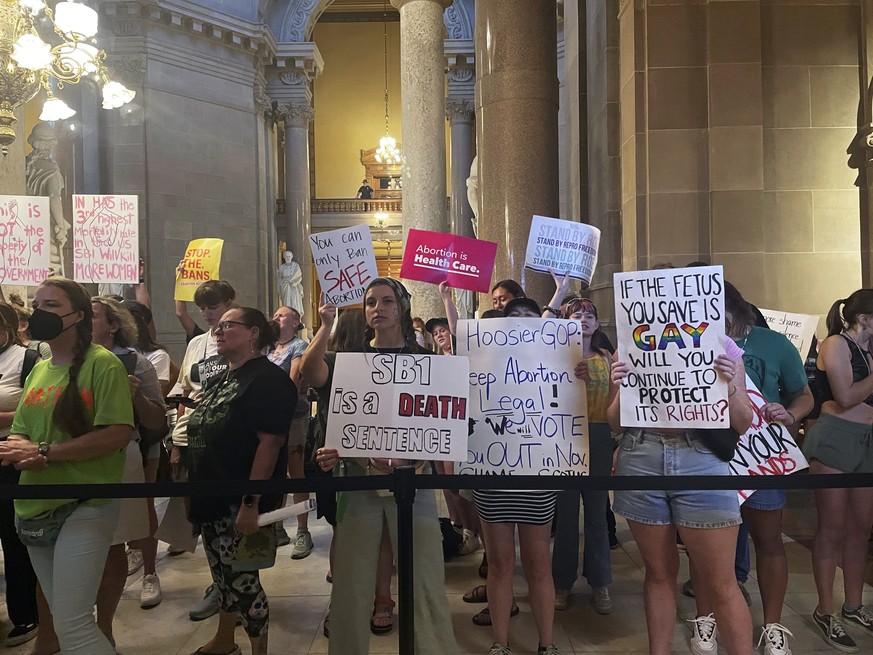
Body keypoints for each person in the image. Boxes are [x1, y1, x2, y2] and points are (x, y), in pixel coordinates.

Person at [309, 278, 459, 655]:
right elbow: (310, 374)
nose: (378, 308)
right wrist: (325, 326)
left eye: (387, 301)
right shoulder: (347, 360)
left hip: (416, 480)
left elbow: (441, 417)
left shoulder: (425, 361)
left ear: (402, 308)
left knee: (426, 576)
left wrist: (417, 456)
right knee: (351, 579)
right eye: (371, 302)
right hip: (361, 481)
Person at [0, 277, 134, 655]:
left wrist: (45, 453)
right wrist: (16, 449)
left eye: (51, 305)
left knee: (73, 625)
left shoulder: (103, 365)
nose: (39, 312)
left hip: (84, 502)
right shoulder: (41, 370)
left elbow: (117, 433)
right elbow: (21, 431)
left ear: (77, 316)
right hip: (36, 503)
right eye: (37, 304)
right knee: (62, 619)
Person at [608, 335, 754, 655]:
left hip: (701, 457)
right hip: (642, 454)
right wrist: (620, 386)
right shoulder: (630, 345)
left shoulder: (722, 345)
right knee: (658, 573)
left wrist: (728, 385)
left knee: (721, 582)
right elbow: (615, 423)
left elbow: (743, 422)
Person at [688, 282, 813, 655]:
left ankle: (773, 625)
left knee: (769, 541)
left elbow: (804, 394)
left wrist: (790, 414)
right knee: (708, 548)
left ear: (736, 309)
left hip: (763, 455)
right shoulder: (689, 341)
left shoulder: (774, 344)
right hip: (711, 455)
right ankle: (705, 618)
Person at [185, 307, 296, 655]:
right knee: (221, 576)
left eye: (228, 325)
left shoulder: (268, 379)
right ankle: (224, 638)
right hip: (211, 494)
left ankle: (258, 648)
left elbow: (270, 443)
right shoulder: (222, 377)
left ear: (253, 333)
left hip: (241, 498)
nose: (218, 331)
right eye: (217, 327)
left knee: (244, 581)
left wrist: (251, 502)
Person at [470, 295, 564, 655]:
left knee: (539, 564)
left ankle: (547, 643)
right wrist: (448, 300)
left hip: (536, 474)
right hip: (493, 474)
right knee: (501, 564)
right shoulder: (482, 363)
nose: (522, 320)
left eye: (530, 314)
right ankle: (501, 642)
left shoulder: (555, 361)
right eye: (515, 315)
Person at [803, 289, 873, 653]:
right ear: (864, 319)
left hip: (868, 439)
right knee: (832, 527)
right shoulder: (835, 344)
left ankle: (854, 604)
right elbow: (845, 396)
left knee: (862, 526)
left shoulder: (869, 349)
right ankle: (825, 610)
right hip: (836, 437)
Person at [169, 279, 235, 621]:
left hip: (229, 443)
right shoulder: (196, 344)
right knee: (204, 518)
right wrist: (177, 442)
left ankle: (236, 586)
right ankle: (217, 584)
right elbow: (183, 392)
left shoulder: (241, 339)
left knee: (230, 522)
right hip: (194, 439)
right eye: (204, 308)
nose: (208, 313)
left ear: (229, 302)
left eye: (214, 305)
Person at [301, 307, 369, 638]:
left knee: (345, 529)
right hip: (336, 458)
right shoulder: (333, 362)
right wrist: (326, 324)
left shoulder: (382, 362)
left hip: (364, 458)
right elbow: (308, 370)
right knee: (344, 526)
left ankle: (353, 599)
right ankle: (348, 600)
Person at [552, 297, 615, 615]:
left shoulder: (607, 356)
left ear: (598, 323)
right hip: (565, 437)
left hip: (600, 437)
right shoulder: (556, 357)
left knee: (596, 516)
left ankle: (600, 582)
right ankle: (561, 582)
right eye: (576, 314)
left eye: (589, 314)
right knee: (565, 518)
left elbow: (617, 399)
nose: (583, 318)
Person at [0, 303, 40, 648]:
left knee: (14, 541)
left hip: (10, 456)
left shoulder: (25, 360)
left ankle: (25, 614)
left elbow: (35, 406)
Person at [267, 306, 312, 556]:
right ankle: (277, 525)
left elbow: (293, 379)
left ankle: (303, 530)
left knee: (295, 471)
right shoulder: (268, 347)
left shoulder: (298, 346)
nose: (276, 317)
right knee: (275, 472)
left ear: (295, 322)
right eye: (275, 314)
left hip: (292, 415)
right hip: (269, 417)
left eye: (282, 315)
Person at [278, 252, 304, 317]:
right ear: (284, 257)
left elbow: (299, 276)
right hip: (285, 286)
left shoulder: (295, 265)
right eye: (286, 256)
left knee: (295, 302)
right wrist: (283, 283)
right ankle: (287, 316)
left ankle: (296, 317)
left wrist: (294, 282)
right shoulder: (282, 267)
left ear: (291, 257)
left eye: (289, 256)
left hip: (294, 287)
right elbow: (279, 278)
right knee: (286, 303)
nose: (288, 258)